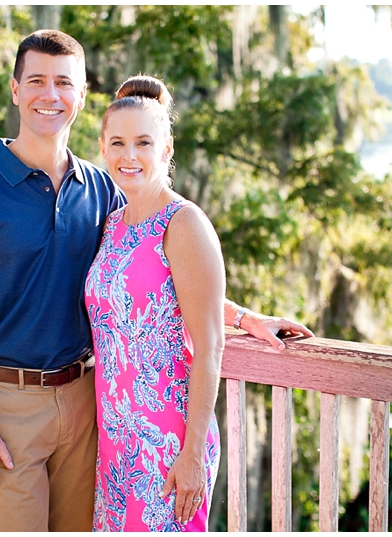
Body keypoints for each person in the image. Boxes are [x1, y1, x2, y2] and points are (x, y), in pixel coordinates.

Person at [0, 29, 313, 532]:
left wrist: (242, 317)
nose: (51, 95)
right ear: (15, 89)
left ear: (82, 94)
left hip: (96, 410)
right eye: (37, 81)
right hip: (12, 409)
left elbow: (165, 283)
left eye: (64, 82)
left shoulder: (105, 194)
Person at [85, 75, 222, 531]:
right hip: (116, 441)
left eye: (144, 142)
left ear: (166, 149)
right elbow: (147, 297)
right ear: (103, 148)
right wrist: (244, 314)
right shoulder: (111, 226)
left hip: (170, 441)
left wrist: (192, 454)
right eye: (119, 143)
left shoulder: (184, 223)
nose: (130, 156)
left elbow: (209, 347)